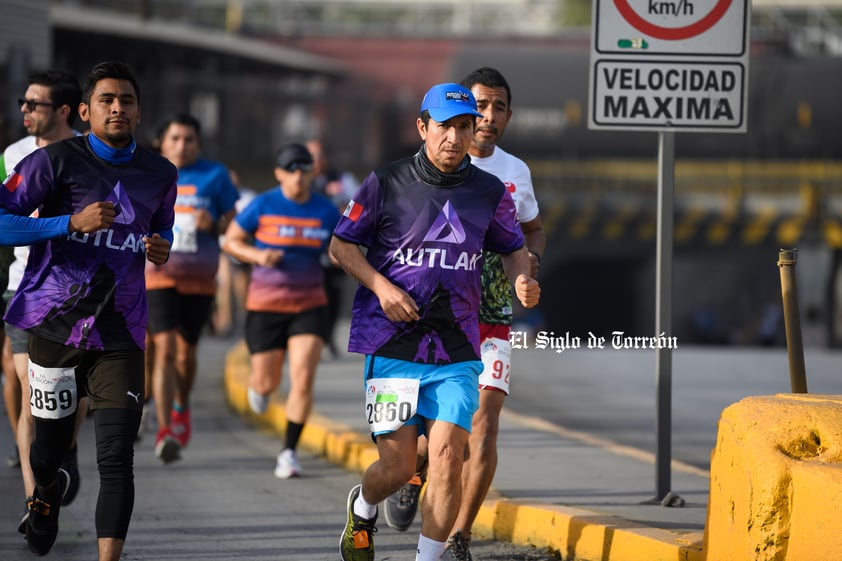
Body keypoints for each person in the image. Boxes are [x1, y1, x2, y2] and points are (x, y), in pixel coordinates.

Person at [330, 82, 540, 561]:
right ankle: (363, 506)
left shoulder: (489, 191)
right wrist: (382, 288)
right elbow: (341, 246)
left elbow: (512, 249)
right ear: (423, 126)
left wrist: (522, 280)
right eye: (445, 126)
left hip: (457, 346)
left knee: (448, 457)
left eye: (464, 127)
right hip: (393, 343)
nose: (455, 137)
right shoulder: (386, 181)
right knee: (400, 467)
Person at [0, 60, 176, 560]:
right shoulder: (53, 161)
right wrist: (66, 223)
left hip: (121, 329)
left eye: (126, 101)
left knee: (117, 457)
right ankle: (46, 493)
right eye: (106, 100)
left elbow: (163, 227)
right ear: (84, 110)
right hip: (54, 326)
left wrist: (163, 245)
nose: (117, 107)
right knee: (47, 452)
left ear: (139, 113)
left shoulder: (160, 172)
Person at [0, 69, 88, 535]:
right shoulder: (11, 156)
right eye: (24, 102)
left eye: (34, 104)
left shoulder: (88, 154)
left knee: (71, 395)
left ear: (64, 111)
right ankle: (38, 502)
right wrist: (60, 224)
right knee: (33, 395)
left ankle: (65, 449)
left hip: (75, 290)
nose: (24, 111)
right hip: (24, 287)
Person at [222, 143, 340, 478]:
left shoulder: (326, 210)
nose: (299, 174)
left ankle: (288, 451)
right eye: (291, 168)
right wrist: (259, 257)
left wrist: (341, 259)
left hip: (309, 304)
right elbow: (231, 241)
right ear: (278, 173)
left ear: (312, 171)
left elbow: (341, 248)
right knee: (267, 381)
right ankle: (259, 387)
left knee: (303, 377)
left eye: (304, 167)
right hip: (265, 305)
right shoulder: (263, 204)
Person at [145, 113, 239, 463]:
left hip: (199, 280)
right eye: (175, 138)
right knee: (165, 348)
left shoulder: (215, 176)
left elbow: (234, 223)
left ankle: (181, 404)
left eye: (189, 140)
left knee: (186, 354)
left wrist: (213, 222)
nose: (182, 145)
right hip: (158, 275)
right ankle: (165, 428)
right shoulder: (148, 173)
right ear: (162, 142)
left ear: (198, 144)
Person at [306, 139, 357, 357]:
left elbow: (359, 210)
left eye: (318, 156)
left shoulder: (342, 180)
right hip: (308, 250)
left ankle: (328, 336)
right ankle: (313, 338)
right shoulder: (299, 180)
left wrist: (345, 214)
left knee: (333, 297)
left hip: (336, 247)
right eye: (310, 156)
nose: (314, 161)